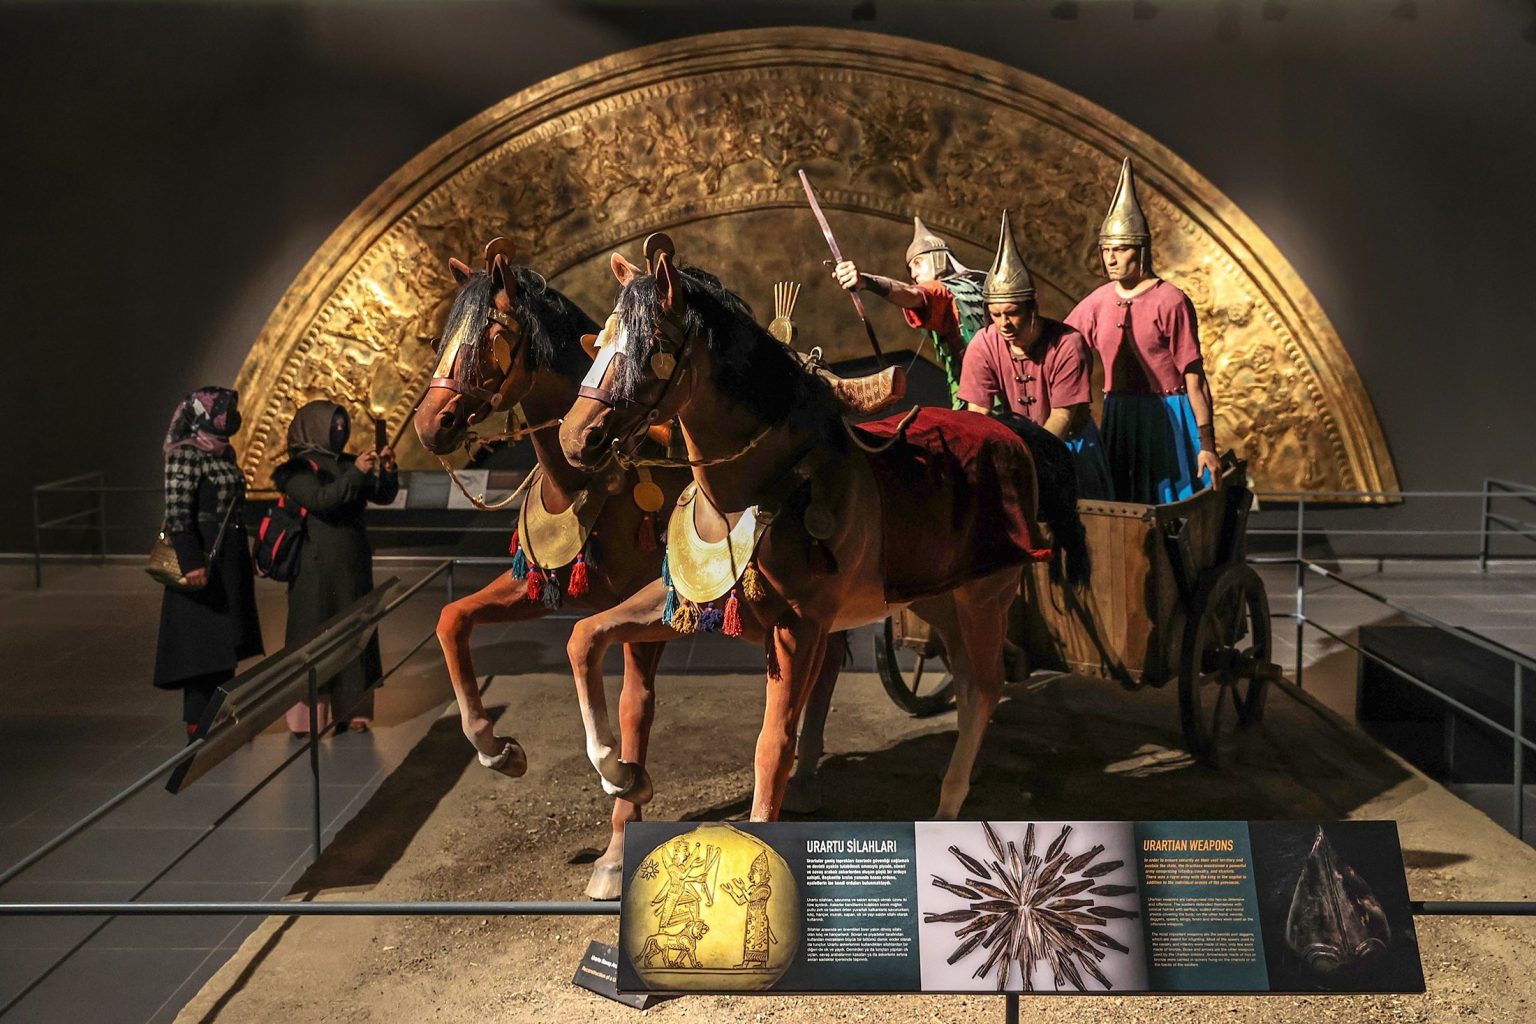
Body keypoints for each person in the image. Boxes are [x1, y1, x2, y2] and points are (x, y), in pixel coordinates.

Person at [1066, 158, 1222, 504]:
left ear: (1140, 251)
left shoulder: (1171, 300)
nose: (1110, 259)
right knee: (1122, 508)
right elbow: (1061, 349)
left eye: (1120, 249)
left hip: (1167, 416)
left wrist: (1207, 443)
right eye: (1106, 250)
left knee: (1171, 503)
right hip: (1120, 416)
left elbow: (1194, 378)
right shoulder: (1097, 301)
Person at [959, 211, 1112, 500]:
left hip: (1069, 448)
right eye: (996, 315)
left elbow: (1062, 416)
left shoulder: (1067, 344)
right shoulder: (984, 344)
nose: (1004, 323)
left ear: (1032, 308)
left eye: (1012, 313)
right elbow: (977, 413)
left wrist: (1031, 460)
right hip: (1018, 453)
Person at [273, 400, 399, 737]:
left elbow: (382, 495)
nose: (340, 430)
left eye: (342, 424)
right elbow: (321, 500)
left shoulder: (346, 462)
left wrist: (387, 470)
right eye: (333, 424)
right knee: (313, 640)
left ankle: (354, 712)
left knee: (356, 637)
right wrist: (356, 473)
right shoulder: (297, 470)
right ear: (314, 427)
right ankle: (306, 720)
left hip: (354, 566)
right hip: (315, 572)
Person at [152, 386, 264, 737]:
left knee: (223, 644)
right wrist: (191, 562)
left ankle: (220, 715)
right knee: (201, 648)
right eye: (221, 410)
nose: (229, 416)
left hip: (227, 559)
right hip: (203, 561)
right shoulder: (185, 453)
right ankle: (198, 723)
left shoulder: (222, 451)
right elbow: (177, 512)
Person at [832, 216, 987, 407]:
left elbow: (912, 294)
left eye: (918, 263)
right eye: (910, 268)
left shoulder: (943, 290)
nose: (913, 273)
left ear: (938, 257)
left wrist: (866, 281)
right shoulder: (970, 289)